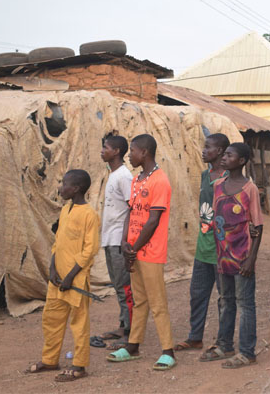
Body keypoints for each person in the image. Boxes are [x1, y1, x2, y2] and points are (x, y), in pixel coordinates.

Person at [106, 134, 177, 371]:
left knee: (157, 302)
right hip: (134, 251)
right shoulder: (137, 180)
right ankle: (133, 346)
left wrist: (133, 249)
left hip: (151, 252)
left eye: (132, 151)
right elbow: (131, 212)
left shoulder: (160, 181)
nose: (129, 155)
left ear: (144, 152)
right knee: (139, 301)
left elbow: (153, 220)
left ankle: (168, 351)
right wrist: (126, 242)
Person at [27, 169, 100, 382]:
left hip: (75, 280)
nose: (60, 187)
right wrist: (52, 269)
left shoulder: (89, 215)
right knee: (51, 319)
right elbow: (57, 243)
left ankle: (79, 366)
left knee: (79, 323)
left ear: (75, 188)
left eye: (64, 183)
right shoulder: (66, 209)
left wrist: (70, 276)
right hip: (58, 279)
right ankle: (50, 360)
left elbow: (90, 249)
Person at [200, 142, 263, 369]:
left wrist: (251, 258)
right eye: (224, 154)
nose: (224, 157)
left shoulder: (249, 189)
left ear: (242, 161)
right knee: (225, 301)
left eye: (229, 155)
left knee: (245, 303)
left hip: (242, 255)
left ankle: (247, 352)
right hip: (222, 255)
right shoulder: (218, 185)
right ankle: (224, 345)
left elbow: (258, 225)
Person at [174, 133, 230, 351]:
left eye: (208, 147)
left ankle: (222, 341)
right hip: (203, 246)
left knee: (225, 298)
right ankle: (195, 336)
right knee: (197, 295)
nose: (203, 150)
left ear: (221, 152)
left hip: (222, 248)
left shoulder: (228, 179)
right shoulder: (204, 175)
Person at [98, 135, 134, 349]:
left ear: (117, 151)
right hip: (110, 238)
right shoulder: (113, 175)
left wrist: (125, 238)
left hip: (120, 240)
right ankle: (123, 325)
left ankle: (130, 333)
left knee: (125, 287)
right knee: (119, 286)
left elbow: (133, 208)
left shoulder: (124, 176)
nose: (102, 151)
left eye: (106, 147)